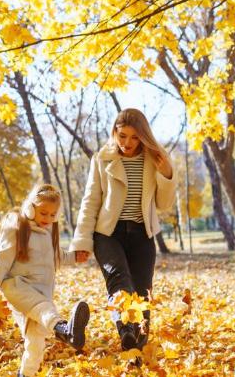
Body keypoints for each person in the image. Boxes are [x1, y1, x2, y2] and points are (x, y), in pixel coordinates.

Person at [70, 108, 176, 350]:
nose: (127, 143)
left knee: (142, 290)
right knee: (118, 279)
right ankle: (126, 330)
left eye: (135, 137)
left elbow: (164, 204)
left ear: (144, 137)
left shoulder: (155, 159)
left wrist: (166, 173)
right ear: (114, 133)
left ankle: (137, 345)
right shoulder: (102, 159)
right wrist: (82, 241)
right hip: (108, 234)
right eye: (122, 136)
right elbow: (90, 202)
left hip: (142, 234)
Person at [0, 184, 90, 377]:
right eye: (43, 213)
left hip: (42, 290)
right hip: (17, 287)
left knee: (35, 343)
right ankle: (64, 329)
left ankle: (25, 374)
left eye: (52, 215)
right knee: (45, 308)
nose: (48, 219)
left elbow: (56, 257)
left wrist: (75, 257)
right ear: (30, 207)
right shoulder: (17, 227)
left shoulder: (49, 232)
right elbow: (0, 261)